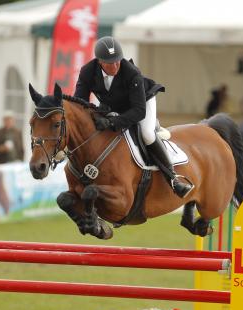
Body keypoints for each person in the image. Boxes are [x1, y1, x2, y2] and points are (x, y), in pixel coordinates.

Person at [73, 36, 193, 198]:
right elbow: (80, 104)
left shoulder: (131, 72)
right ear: (99, 61)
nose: (115, 66)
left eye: (117, 60)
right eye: (110, 62)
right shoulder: (87, 71)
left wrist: (111, 121)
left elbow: (138, 111)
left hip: (142, 102)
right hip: (113, 106)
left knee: (147, 134)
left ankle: (173, 179)